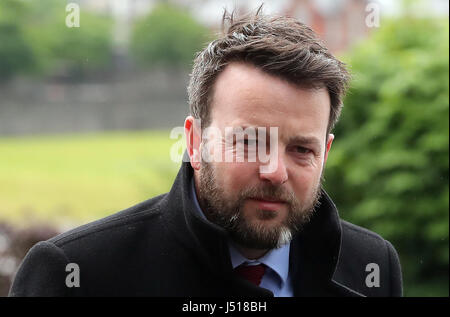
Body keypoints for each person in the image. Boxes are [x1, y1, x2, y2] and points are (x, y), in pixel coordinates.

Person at [9, 9, 402, 297]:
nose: (274, 171)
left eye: (301, 149)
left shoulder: (372, 266)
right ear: (194, 143)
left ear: (325, 154)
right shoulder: (75, 274)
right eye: (249, 141)